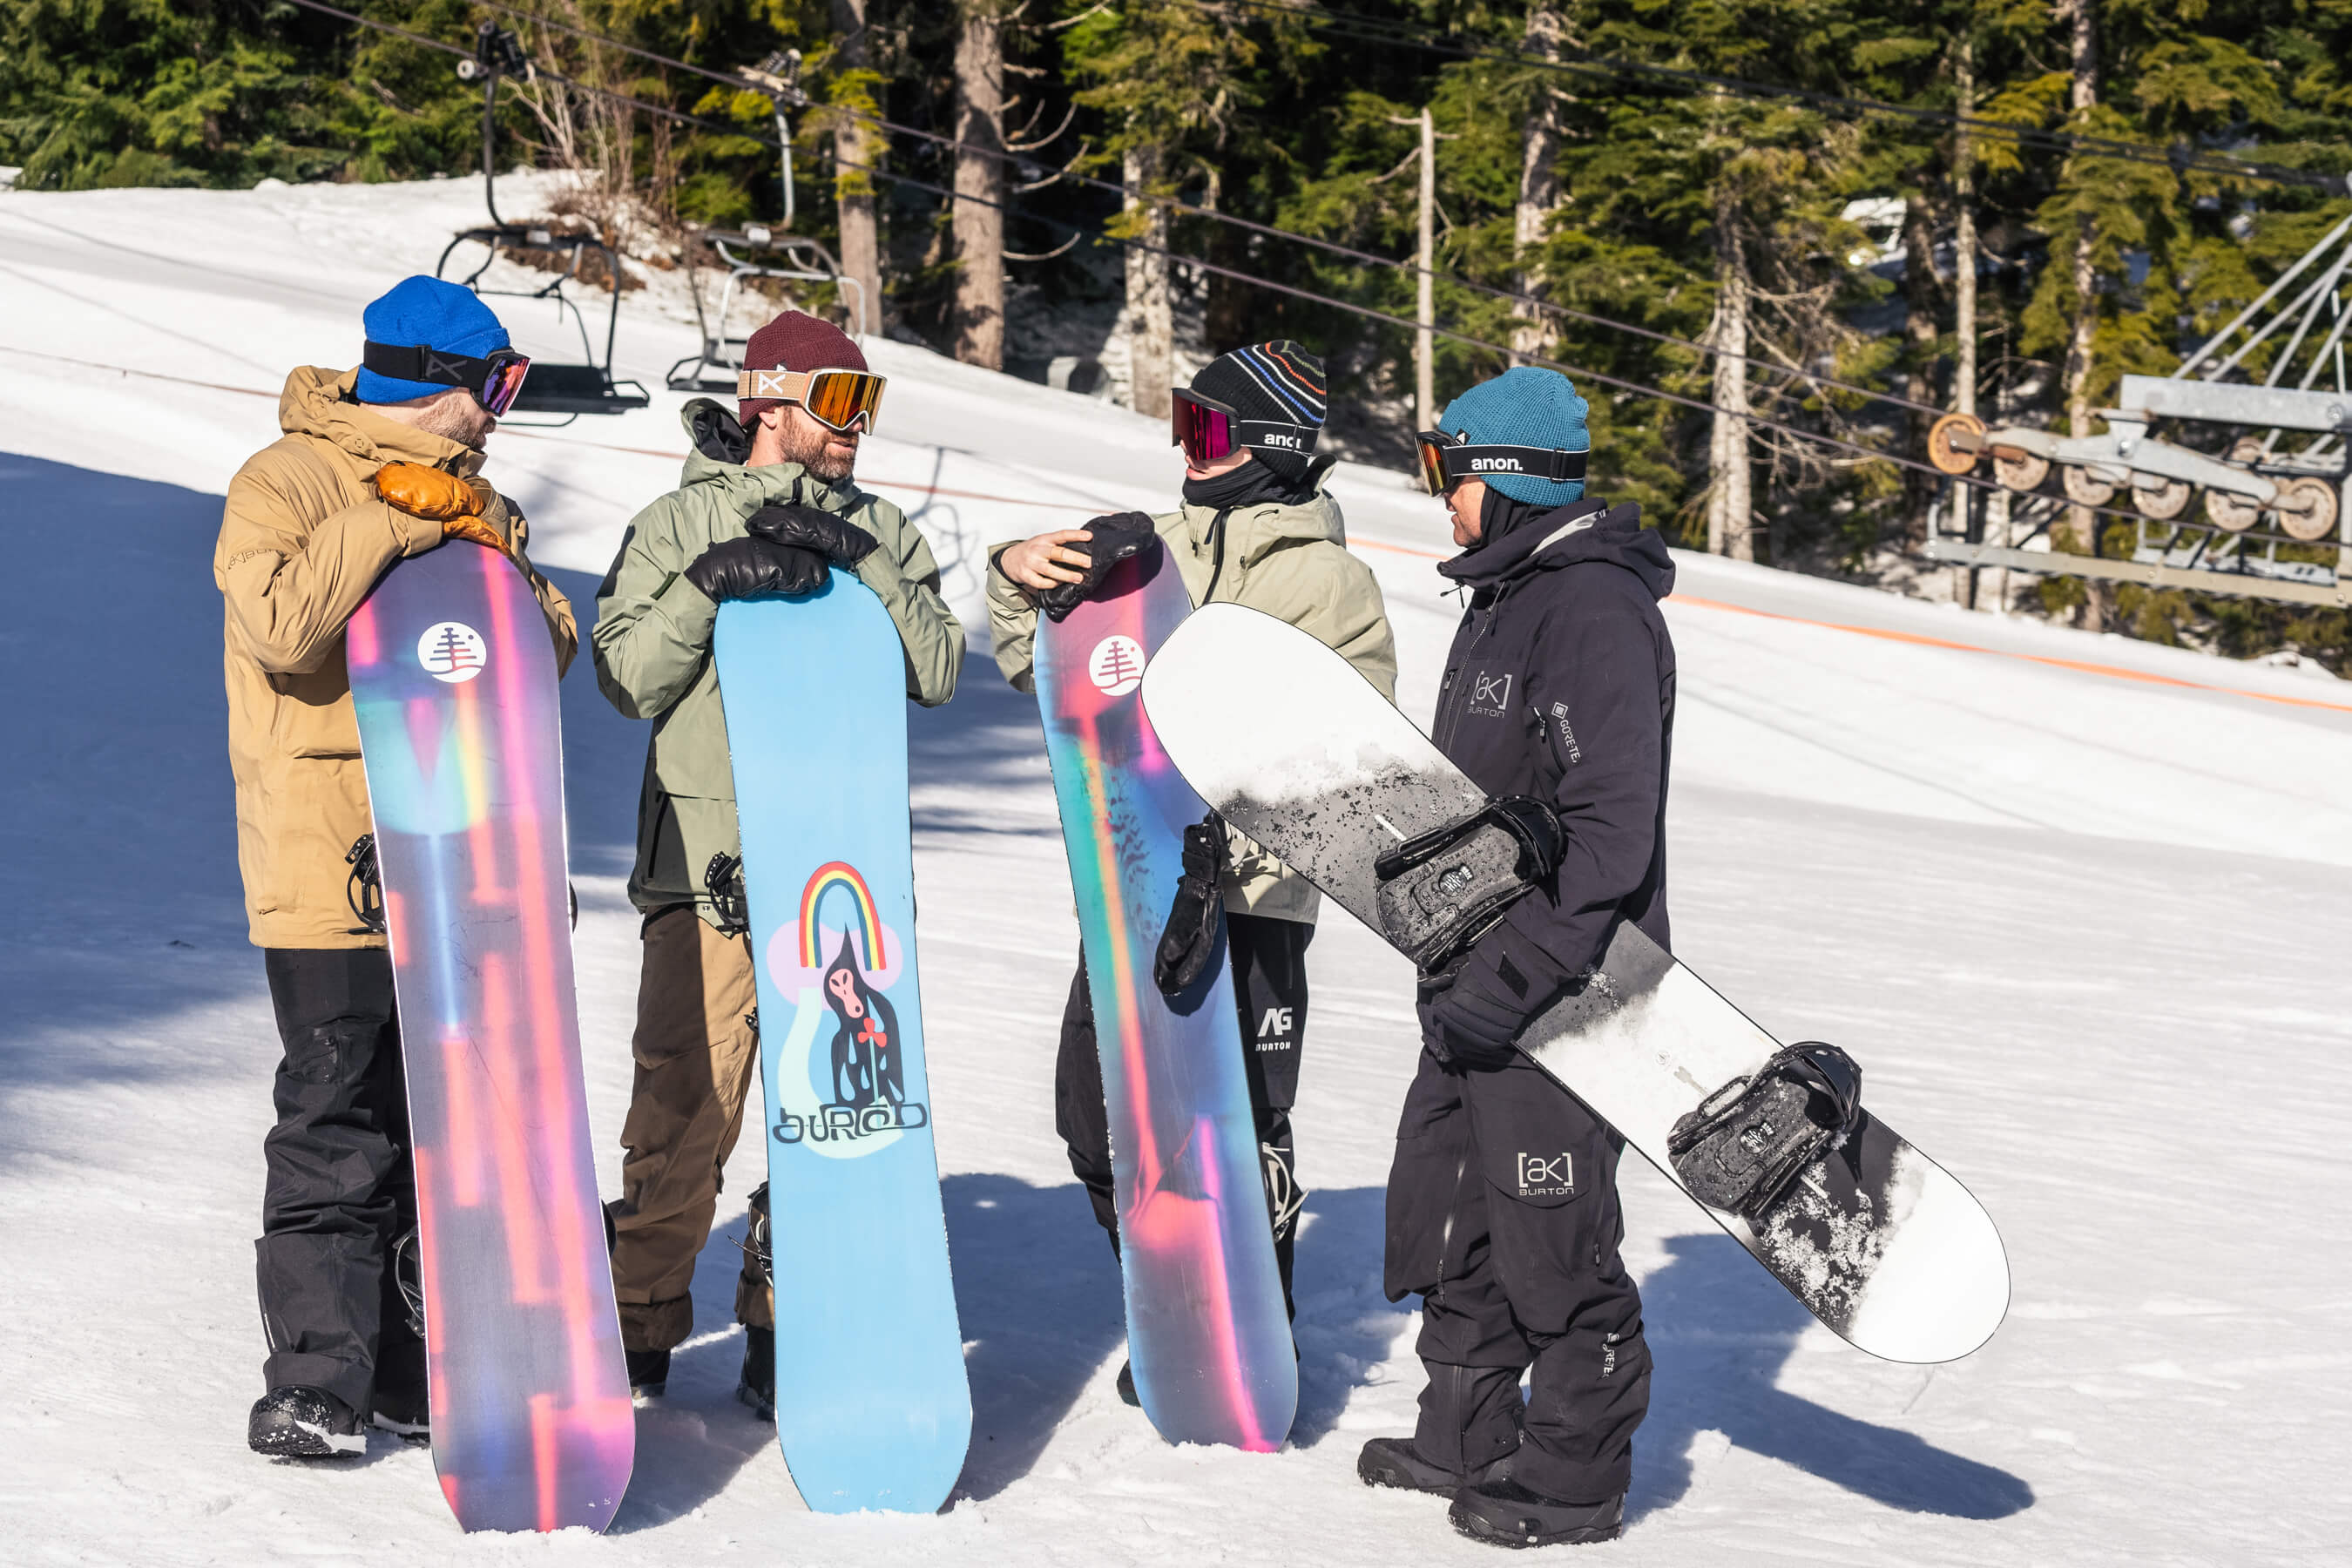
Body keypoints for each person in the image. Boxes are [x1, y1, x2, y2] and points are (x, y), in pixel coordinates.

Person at [989, 341, 1396, 1400]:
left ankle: (1262, 1328)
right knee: (1097, 1116)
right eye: (1181, 424)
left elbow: (1346, 762)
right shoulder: (1155, 548)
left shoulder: (1330, 583)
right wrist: (1018, 572)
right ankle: (1176, 1301)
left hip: (1252, 904)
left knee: (1241, 1116)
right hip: (1131, 887)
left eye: (1205, 430)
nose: (1185, 448)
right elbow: (1026, 661)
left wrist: (1236, 847)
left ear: (1265, 448)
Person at [217, 274, 577, 1456]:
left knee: (458, 1123)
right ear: (438, 384)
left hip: (466, 856)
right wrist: (392, 516)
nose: (501, 414)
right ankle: (317, 1379)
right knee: (339, 1115)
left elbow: (545, 653)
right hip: (333, 861)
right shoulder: (286, 481)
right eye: (497, 387)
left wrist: (506, 571)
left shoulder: (481, 497)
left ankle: (425, 1364)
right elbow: (280, 629)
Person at [591, 310, 962, 1416]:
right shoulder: (673, 522)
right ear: (771, 403)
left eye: (870, 406)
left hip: (838, 876)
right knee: (685, 1107)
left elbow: (938, 668)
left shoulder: (884, 526)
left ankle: (784, 1324)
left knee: (831, 1109)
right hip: (704, 868)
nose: (858, 430)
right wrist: (706, 584)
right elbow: (627, 677)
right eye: (841, 405)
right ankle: (636, 1325)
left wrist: (872, 571)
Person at [1353, 365, 1672, 1547]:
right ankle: (1467, 1433)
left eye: (1448, 468)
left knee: (1551, 1241)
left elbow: (1609, 828)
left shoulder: (1590, 608)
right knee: (1456, 1214)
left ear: (1511, 477)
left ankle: (1575, 1472)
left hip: (1562, 995)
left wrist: (1521, 978)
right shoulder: (1510, 596)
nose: (1438, 495)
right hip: (1474, 981)